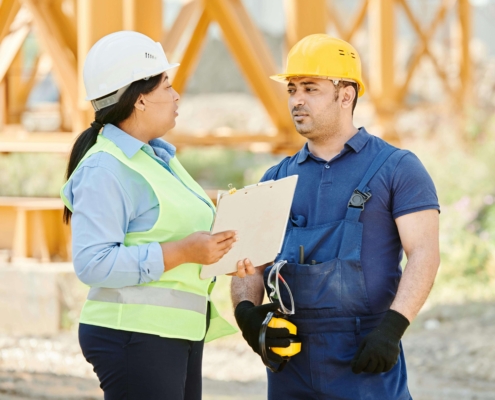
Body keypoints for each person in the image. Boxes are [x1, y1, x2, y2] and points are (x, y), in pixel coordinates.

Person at [231, 34, 440, 399]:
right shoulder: (274, 179)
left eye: (310, 89)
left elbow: (424, 253)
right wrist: (248, 315)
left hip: (365, 353)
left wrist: (392, 329)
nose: (297, 100)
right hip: (290, 358)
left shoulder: (397, 168)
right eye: (292, 89)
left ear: (346, 95)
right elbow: (247, 264)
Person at [60, 31, 253, 400]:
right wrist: (183, 252)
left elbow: (173, 236)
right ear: (140, 99)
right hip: (134, 335)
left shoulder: (160, 159)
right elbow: (92, 262)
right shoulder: (105, 167)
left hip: (174, 332)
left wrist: (216, 255)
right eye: (166, 85)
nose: (176, 95)